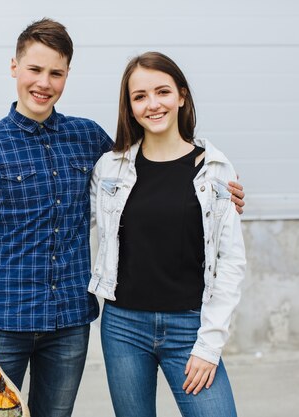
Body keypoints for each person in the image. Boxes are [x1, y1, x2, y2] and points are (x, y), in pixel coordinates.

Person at [0, 19, 246, 417]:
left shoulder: (89, 140)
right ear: (14, 67)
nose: (43, 82)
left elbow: (152, 183)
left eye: (56, 73)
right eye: (34, 69)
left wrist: (226, 196)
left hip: (69, 324)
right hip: (1, 323)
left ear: (67, 76)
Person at [89, 51, 246, 417]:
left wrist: (209, 346)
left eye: (162, 92)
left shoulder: (216, 170)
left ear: (182, 96)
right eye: (140, 96)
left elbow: (231, 262)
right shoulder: (110, 169)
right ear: (129, 107)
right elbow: (69, 222)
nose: (152, 104)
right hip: (123, 327)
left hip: (190, 326)